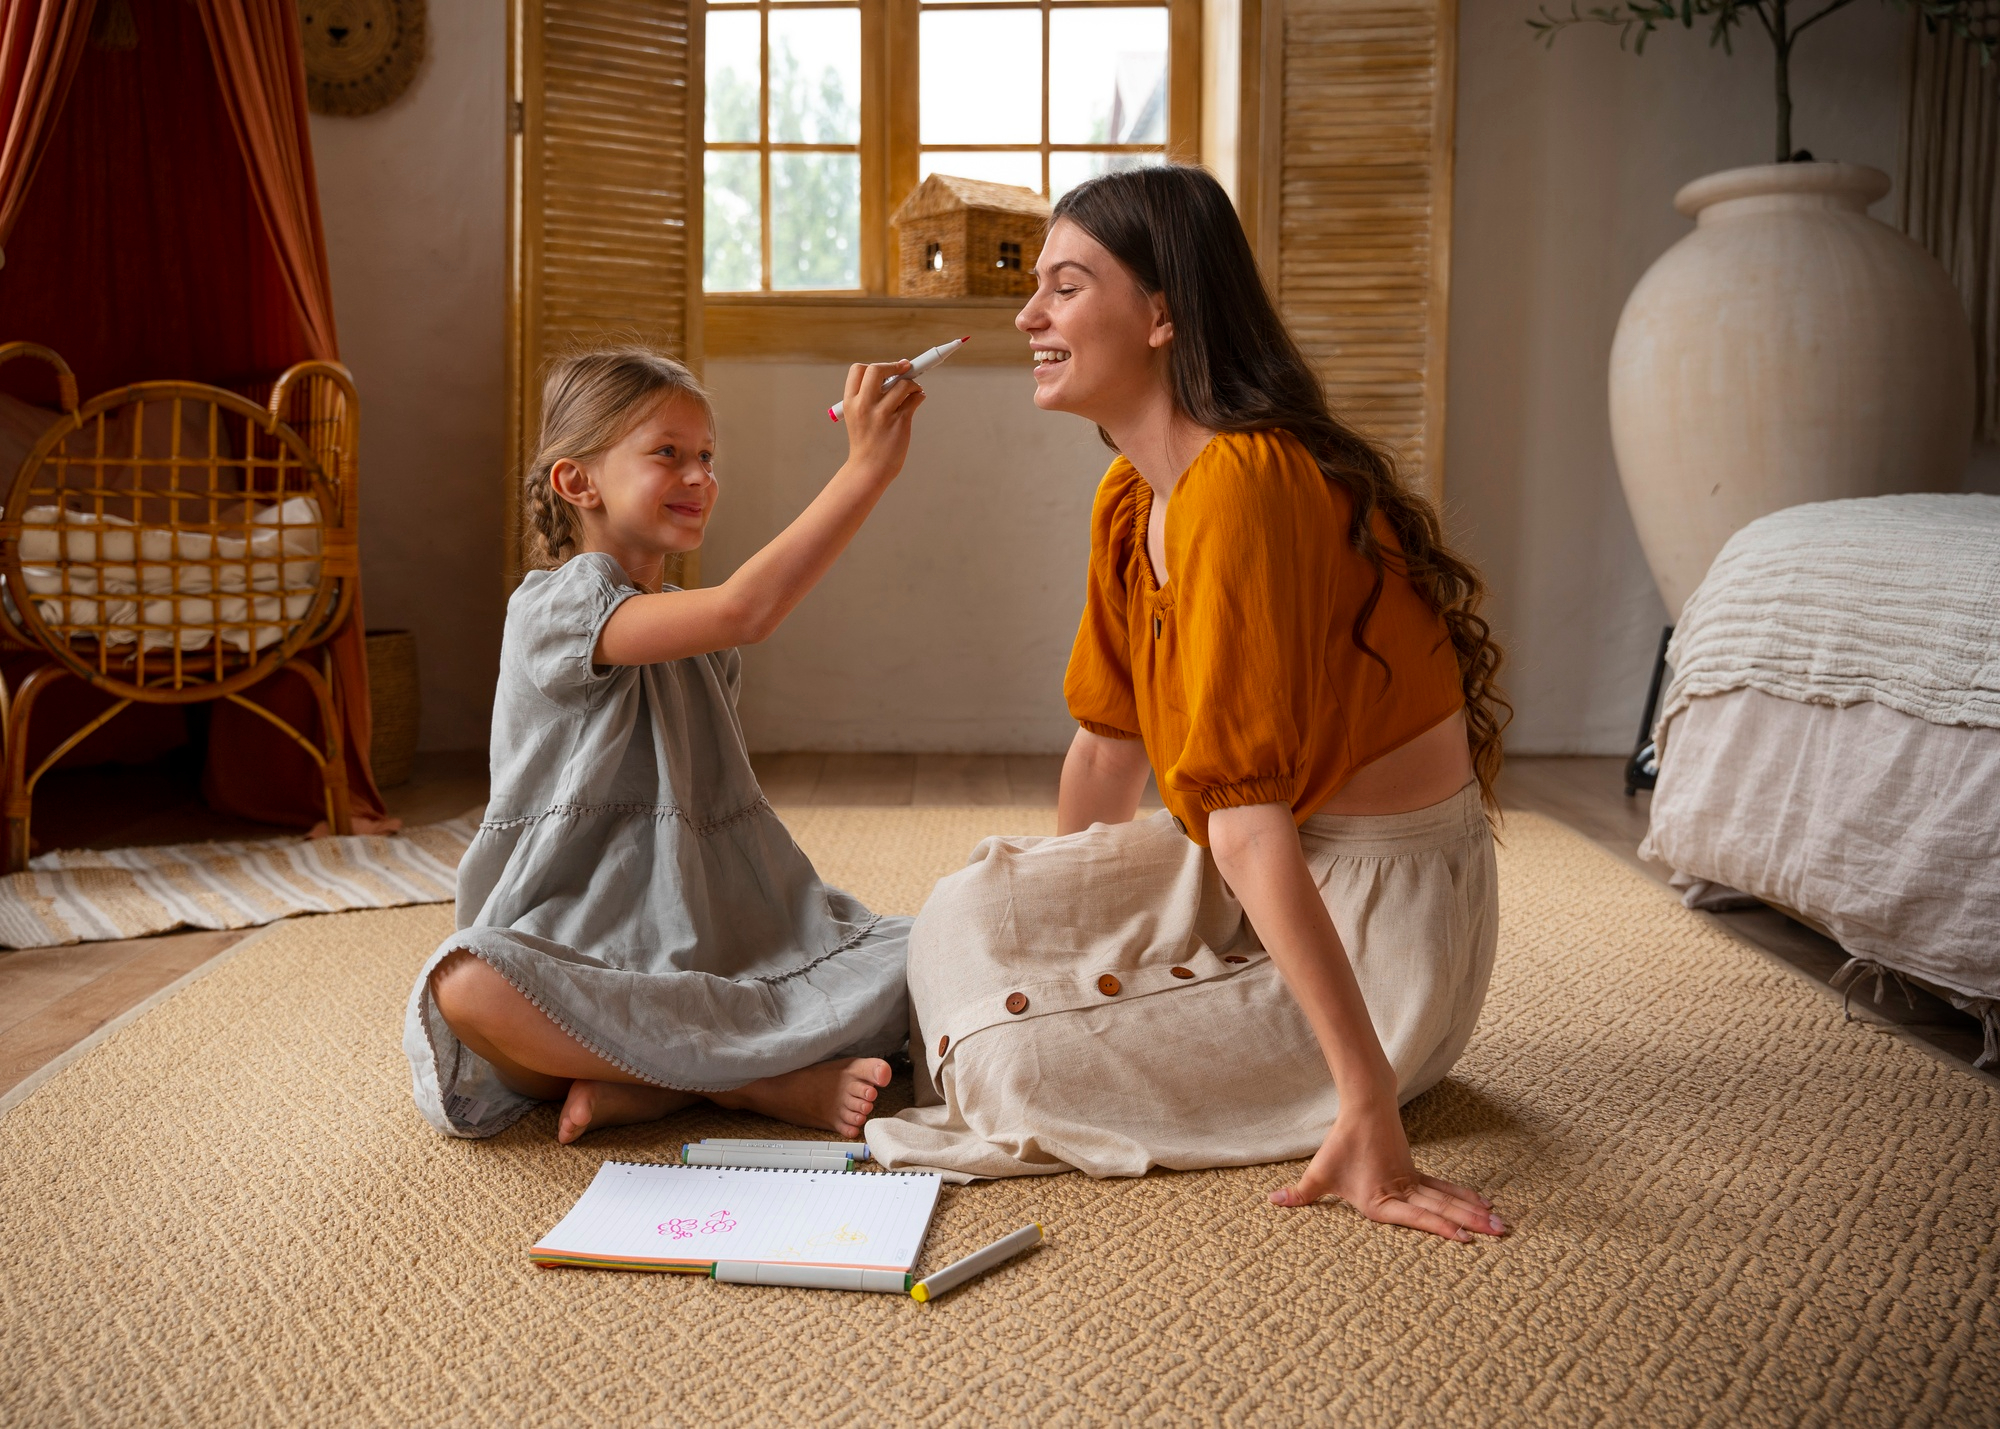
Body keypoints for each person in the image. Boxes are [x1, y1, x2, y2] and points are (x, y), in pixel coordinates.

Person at [866, 167, 1513, 1243]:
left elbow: (1249, 822)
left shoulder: (1244, 483)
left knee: (999, 1055)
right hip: (1265, 859)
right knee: (963, 912)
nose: (1029, 316)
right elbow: (1105, 745)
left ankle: (1348, 1071)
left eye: (1065, 288)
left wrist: (1368, 1108)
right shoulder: (1132, 492)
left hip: (1375, 920)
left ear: (1162, 312)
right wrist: (1061, 923)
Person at [404, 347, 927, 1144]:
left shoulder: (696, 632)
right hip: (577, 940)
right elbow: (747, 607)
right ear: (577, 482)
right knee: (468, 985)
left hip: (718, 935)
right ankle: (755, 1082)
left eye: (707, 457)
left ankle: (648, 1081)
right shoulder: (556, 606)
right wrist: (867, 469)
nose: (699, 475)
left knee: (946, 938)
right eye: (668, 454)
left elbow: (727, 626)